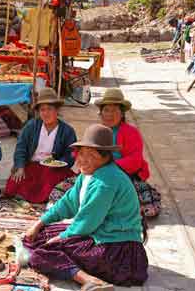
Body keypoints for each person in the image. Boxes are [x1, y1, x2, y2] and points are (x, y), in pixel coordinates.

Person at [16, 124, 148, 290]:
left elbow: (88, 221)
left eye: (90, 155)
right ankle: (83, 273)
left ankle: (88, 280)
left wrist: (62, 237)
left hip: (117, 250)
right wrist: (39, 223)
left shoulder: (105, 182)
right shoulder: (89, 173)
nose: (81, 160)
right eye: (81, 153)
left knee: (41, 254)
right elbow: (68, 203)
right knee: (38, 237)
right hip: (100, 233)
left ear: (105, 157)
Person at [51, 88, 161, 217]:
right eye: (106, 110)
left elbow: (135, 160)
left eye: (114, 110)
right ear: (101, 113)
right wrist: (85, 162)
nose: (109, 114)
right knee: (59, 193)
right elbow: (80, 153)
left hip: (122, 177)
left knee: (147, 206)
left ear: (122, 113)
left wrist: (108, 168)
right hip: (94, 174)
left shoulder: (131, 132)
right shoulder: (96, 131)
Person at [5, 88, 77, 203]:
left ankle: (44, 197)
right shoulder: (31, 126)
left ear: (57, 110)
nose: (46, 113)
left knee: (52, 183)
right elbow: (21, 147)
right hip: (32, 165)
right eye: (42, 110)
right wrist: (20, 167)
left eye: (49, 109)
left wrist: (59, 163)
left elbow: (72, 154)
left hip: (54, 169)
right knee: (14, 184)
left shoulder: (67, 131)